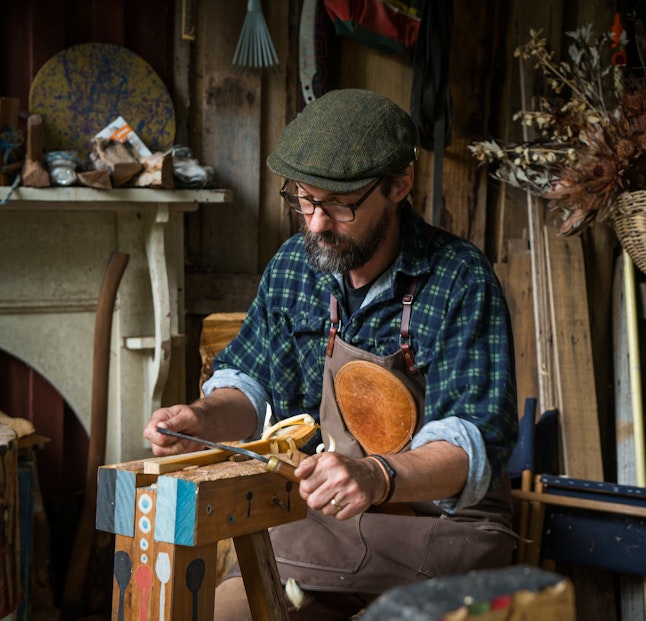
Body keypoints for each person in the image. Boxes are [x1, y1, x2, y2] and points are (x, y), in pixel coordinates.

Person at [142, 88, 519, 620]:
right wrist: (202, 418)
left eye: (340, 204)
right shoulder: (295, 266)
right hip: (320, 522)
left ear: (398, 185)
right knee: (227, 611)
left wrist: (376, 476)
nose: (316, 223)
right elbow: (251, 384)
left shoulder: (458, 278)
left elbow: (471, 442)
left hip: (441, 530)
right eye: (304, 199)